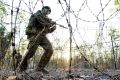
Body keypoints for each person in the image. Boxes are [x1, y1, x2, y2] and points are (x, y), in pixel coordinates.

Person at [19, 6, 56, 74]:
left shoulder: (45, 19)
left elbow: (45, 30)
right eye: (47, 10)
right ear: (43, 9)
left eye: (49, 12)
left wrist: (52, 29)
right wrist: (50, 23)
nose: (47, 12)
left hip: (42, 36)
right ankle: (21, 68)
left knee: (50, 49)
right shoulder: (37, 15)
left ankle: (40, 68)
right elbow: (42, 21)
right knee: (30, 53)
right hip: (34, 35)